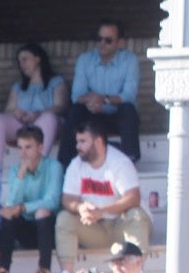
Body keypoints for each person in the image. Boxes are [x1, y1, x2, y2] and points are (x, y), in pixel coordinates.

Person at [56, 120, 151, 273]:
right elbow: (67, 199)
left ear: (98, 141)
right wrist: (80, 208)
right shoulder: (76, 164)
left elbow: (133, 197)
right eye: (77, 141)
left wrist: (103, 211)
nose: (78, 146)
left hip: (121, 226)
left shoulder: (119, 162)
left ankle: (137, 272)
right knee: (64, 218)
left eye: (83, 141)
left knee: (136, 215)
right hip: (94, 228)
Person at [59, 20, 140, 165]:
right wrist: (92, 101)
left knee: (128, 109)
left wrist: (104, 99)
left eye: (108, 40)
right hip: (92, 114)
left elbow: (129, 95)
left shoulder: (130, 60)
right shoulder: (85, 60)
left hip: (116, 115)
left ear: (120, 43)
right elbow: (76, 95)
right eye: (99, 39)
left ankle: (131, 158)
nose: (102, 43)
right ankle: (65, 163)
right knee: (75, 110)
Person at [0, 43, 67, 169]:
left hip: (46, 125)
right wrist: (16, 113)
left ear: (38, 59)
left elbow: (61, 106)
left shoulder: (56, 82)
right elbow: (8, 111)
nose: (22, 64)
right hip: (22, 126)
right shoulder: (18, 86)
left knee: (48, 118)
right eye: (19, 61)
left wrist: (39, 113)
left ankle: (37, 167)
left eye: (25, 59)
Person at [0, 126, 62, 273]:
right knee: (8, 215)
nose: (23, 153)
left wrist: (23, 207)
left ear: (40, 147)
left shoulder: (54, 167)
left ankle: (44, 270)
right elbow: (12, 204)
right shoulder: (15, 170)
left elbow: (52, 201)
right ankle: (3, 271)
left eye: (28, 147)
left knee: (42, 212)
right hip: (26, 229)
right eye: (20, 148)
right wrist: (20, 175)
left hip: (49, 228)